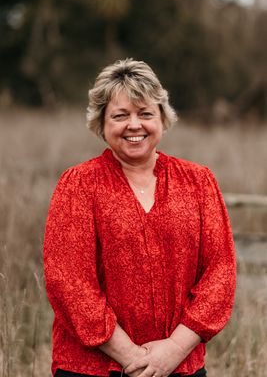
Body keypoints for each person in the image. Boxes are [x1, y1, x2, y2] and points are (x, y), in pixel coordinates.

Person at [43, 58, 236, 377]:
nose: (135, 125)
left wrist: (173, 350)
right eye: (120, 115)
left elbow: (221, 272)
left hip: (180, 366)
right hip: (92, 368)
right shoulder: (78, 184)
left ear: (162, 118)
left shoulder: (199, 181)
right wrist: (131, 356)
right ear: (101, 123)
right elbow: (68, 281)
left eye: (145, 113)